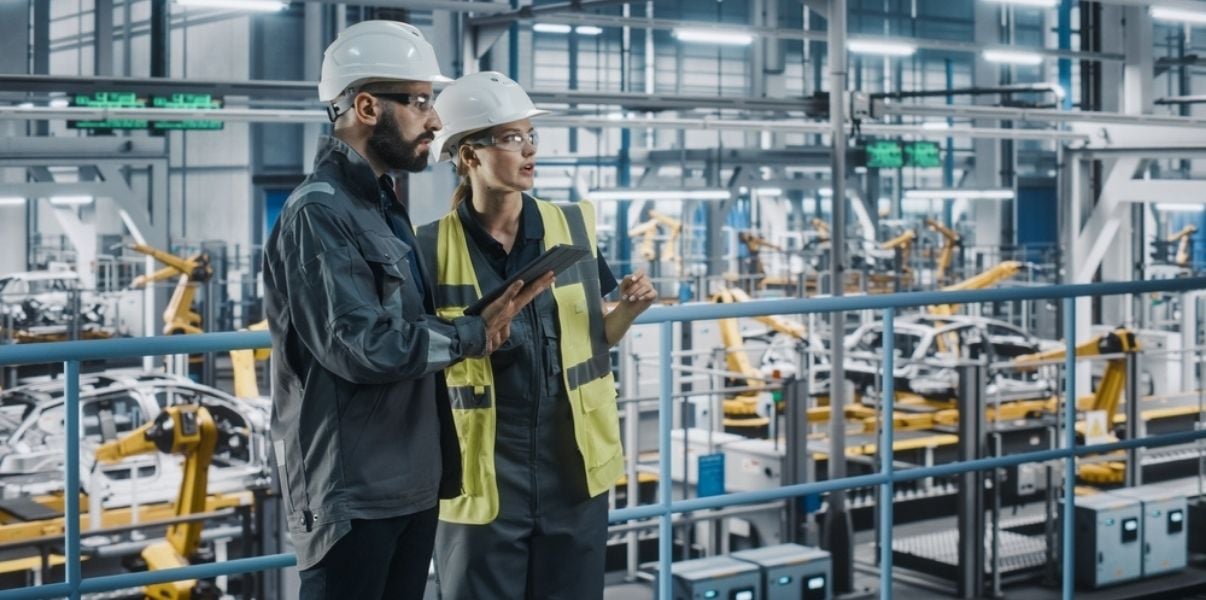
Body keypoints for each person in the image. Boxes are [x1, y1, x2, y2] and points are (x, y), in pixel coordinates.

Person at [262, 23, 550, 600]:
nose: (436, 121)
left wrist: (484, 322)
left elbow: (404, 326)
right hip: (353, 491)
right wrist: (470, 333)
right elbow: (360, 346)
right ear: (367, 106)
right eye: (420, 102)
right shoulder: (319, 214)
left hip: (410, 481)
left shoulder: (383, 206)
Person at [417, 71, 657, 600]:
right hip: (481, 476)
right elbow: (417, 353)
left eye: (530, 136)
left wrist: (631, 311)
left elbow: (596, 338)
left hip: (572, 468)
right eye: (509, 138)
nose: (528, 150)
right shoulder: (428, 248)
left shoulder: (571, 226)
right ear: (467, 155)